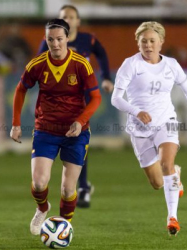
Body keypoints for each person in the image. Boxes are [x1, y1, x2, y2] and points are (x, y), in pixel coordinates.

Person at [111, 21, 187, 236]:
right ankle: (175, 175)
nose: (148, 45)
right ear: (138, 43)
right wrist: (136, 112)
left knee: (166, 163)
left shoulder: (171, 64)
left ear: (161, 42)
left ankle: (172, 217)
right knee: (156, 182)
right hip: (139, 127)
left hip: (166, 121)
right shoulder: (130, 64)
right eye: (143, 41)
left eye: (152, 41)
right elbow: (116, 98)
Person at [10, 19, 101, 235]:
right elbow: (20, 90)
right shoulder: (37, 64)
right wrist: (15, 124)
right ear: (46, 40)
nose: (55, 44)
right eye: (51, 40)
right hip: (46, 130)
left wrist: (80, 121)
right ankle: (43, 208)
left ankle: (62, 227)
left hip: (75, 133)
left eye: (59, 39)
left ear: (67, 38)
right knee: (39, 183)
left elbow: (96, 97)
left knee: (68, 189)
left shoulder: (81, 64)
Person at [38, 5, 113, 208]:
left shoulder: (87, 39)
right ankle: (79, 186)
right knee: (66, 140)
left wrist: (106, 78)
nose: (68, 20)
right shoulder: (51, 40)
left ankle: (81, 186)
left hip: (83, 98)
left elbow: (103, 53)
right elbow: (37, 65)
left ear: (78, 21)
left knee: (78, 138)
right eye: (64, 17)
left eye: (71, 17)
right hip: (58, 103)